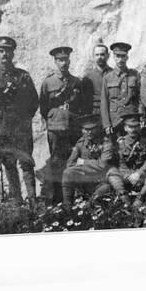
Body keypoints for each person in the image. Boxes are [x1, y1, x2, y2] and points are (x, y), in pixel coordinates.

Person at [0, 36, 39, 206]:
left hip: (21, 127)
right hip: (2, 128)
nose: (4, 54)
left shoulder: (23, 76)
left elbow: (33, 101)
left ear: (13, 52)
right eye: (1, 50)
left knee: (26, 161)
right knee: (8, 162)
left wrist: (24, 118)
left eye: (8, 50)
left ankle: (32, 199)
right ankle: (16, 198)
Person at [39, 46, 84, 205]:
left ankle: (72, 198)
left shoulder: (76, 82)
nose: (63, 63)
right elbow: (44, 108)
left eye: (66, 59)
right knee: (56, 163)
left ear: (70, 61)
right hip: (56, 129)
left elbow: (81, 106)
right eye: (60, 60)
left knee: (72, 162)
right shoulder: (48, 82)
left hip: (72, 128)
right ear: (55, 61)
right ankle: (56, 199)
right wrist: (56, 117)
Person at [106, 113, 146, 207]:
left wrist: (138, 174)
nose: (133, 130)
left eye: (136, 126)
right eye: (130, 127)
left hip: (143, 175)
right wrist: (129, 176)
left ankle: (141, 196)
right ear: (125, 128)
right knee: (111, 172)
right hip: (127, 176)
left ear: (140, 126)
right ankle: (124, 197)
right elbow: (121, 164)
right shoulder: (120, 143)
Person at [61, 114, 114, 208]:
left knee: (104, 191)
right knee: (67, 173)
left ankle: (89, 206)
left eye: (92, 129)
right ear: (82, 130)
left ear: (97, 129)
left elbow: (102, 165)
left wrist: (82, 162)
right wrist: (87, 169)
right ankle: (67, 207)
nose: (89, 132)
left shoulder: (106, 143)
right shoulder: (80, 143)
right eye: (86, 130)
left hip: (100, 181)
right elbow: (70, 164)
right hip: (84, 180)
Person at [100, 42, 142, 137]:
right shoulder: (107, 77)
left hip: (131, 120)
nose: (120, 59)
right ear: (113, 57)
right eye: (117, 56)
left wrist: (141, 117)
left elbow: (140, 99)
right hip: (115, 120)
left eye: (123, 56)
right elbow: (104, 102)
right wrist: (106, 124)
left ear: (127, 57)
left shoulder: (135, 75)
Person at [81, 44, 112, 115]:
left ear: (108, 55)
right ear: (93, 57)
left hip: (111, 111)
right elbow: (84, 100)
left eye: (102, 54)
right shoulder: (88, 77)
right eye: (97, 55)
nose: (99, 57)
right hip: (94, 113)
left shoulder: (113, 74)